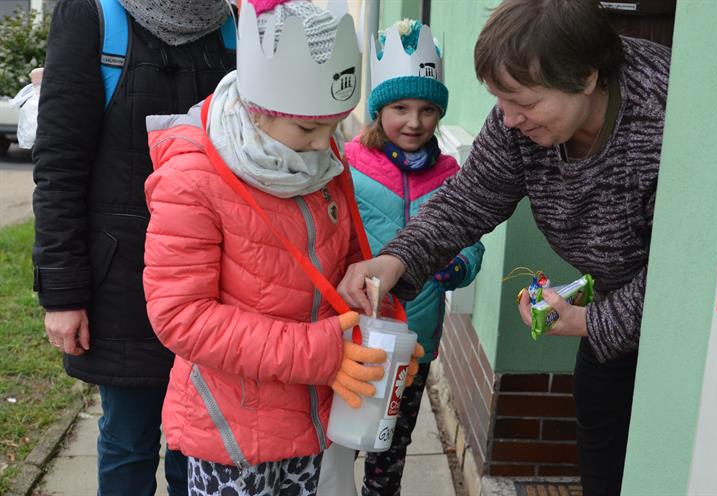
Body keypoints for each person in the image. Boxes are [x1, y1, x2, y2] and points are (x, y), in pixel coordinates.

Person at [337, 1, 670, 494]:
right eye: (500, 101)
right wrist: (396, 258)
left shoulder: (664, 113)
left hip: (680, 326)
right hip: (612, 310)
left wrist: (593, 322)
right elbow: (470, 199)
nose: (509, 121)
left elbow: (687, 263)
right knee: (601, 436)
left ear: (585, 77)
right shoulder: (520, 123)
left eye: (525, 103)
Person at [142, 1, 419, 494]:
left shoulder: (322, 155)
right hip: (234, 431)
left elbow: (354, 262)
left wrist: (385, 330)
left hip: (314, 416)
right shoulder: (192, 177)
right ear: (256, 111)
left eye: (333, 126)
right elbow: (181, 316)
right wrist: (322, 354)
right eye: (307, 130)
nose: (322, 146)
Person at [31, 0, 236, 493]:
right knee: (128, 440)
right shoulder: (93, 16)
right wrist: (62, 294)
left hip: (216, 282)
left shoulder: (232, 23)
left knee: (200, 447)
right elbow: (59, 167)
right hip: (124, 281)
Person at [345, 19, 484, 495]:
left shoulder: (450, 174)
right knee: (337, 444)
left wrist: (460, 263)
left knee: (389, 449)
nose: (415, 121)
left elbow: (470, 237)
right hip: (350, 335)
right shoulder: (349, 168)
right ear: (379, 108)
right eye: (400, 107)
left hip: (414, 344)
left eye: (428, 109)